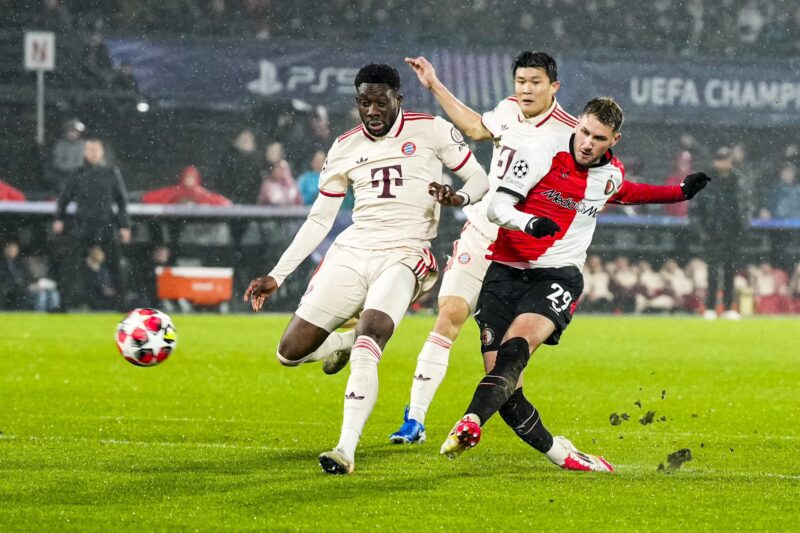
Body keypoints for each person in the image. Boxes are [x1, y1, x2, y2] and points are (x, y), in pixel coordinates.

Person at [438, 97, 710, 472]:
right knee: (507, 393)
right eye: (583, 132)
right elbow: (497, 208)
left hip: (556, 275)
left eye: (598, 138)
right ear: (577, 124)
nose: (586, 143)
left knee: (515, 351)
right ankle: (562, 454)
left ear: (614, 139)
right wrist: (529, 223)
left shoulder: (610, 173)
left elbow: (627, 191)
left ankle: (469, 422)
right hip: (504, 272)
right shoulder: (540, 153)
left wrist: (679, 192)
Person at [243, 63, 489, 475]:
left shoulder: (431, 130)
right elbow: (319, 220)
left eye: (380, 101)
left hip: (406, 252)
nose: (372, 110)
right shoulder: (344, 147)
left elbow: (479, 179)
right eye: (364, 102)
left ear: (398, 99)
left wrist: (459, 197)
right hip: (353, 251)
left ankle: (345, 448)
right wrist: (278, 274)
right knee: (288, 353)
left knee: (370, 339)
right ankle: (341, 342)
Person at [389, 51, 577, 444]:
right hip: (481, 233)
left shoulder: (570, 134)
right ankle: (415, 419)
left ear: (554, 86)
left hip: (522, 252)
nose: (526, 89)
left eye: (535, 82)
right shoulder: (508, 110)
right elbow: (476, 127)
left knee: (506, 355)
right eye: (521, 81)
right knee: (450, 313)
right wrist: (434, 85)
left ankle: (502, 421)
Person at [53, 139, 130, 309]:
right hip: (83, 224)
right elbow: (64, 198)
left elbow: (122, 200)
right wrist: (59, 218)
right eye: (90, 149)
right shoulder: (78, 173)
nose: (93, 153)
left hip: (106, 224)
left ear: (102, 152)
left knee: (115, 266)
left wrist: (124, 225)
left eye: (96, 149)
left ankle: (122, 304)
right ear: (85, 152)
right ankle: (64, 304)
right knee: (71, 265)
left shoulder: (111, 173)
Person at [689, 146, 752, 319]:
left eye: (725, 159)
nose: (722, 163)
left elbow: (746, 206)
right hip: (712, 233)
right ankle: (710, 307)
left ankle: (729, 307)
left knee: (731, 271)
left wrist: (743, 226)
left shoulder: (739, 180)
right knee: (713, 272)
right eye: (719, 159)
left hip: (733, 231)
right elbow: (695, 209)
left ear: (730, 160)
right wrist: (701, 231)